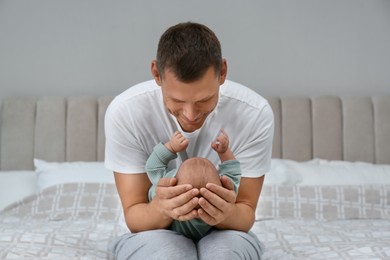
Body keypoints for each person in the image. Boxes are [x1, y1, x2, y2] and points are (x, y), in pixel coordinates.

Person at [104, 21, 274, 259]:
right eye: (177, 101)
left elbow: (244, 213)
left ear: (222, 72)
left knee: (225, 254)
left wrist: (224, 213)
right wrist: (161, 207)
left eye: (204, 99)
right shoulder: (127, 112)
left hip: (226, 232)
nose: (190, 115)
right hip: (154, 230)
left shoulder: (254, 113)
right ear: (156, 74)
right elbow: (135, 216)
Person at [145, 129, 241, 241]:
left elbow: (153, 166)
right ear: (220, 184)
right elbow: (233, 172)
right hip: (210, 236)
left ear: (173, 180)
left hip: (172, 235)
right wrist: (224, 153)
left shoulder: (167, 192)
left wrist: (171, 147)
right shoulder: (223, 197)